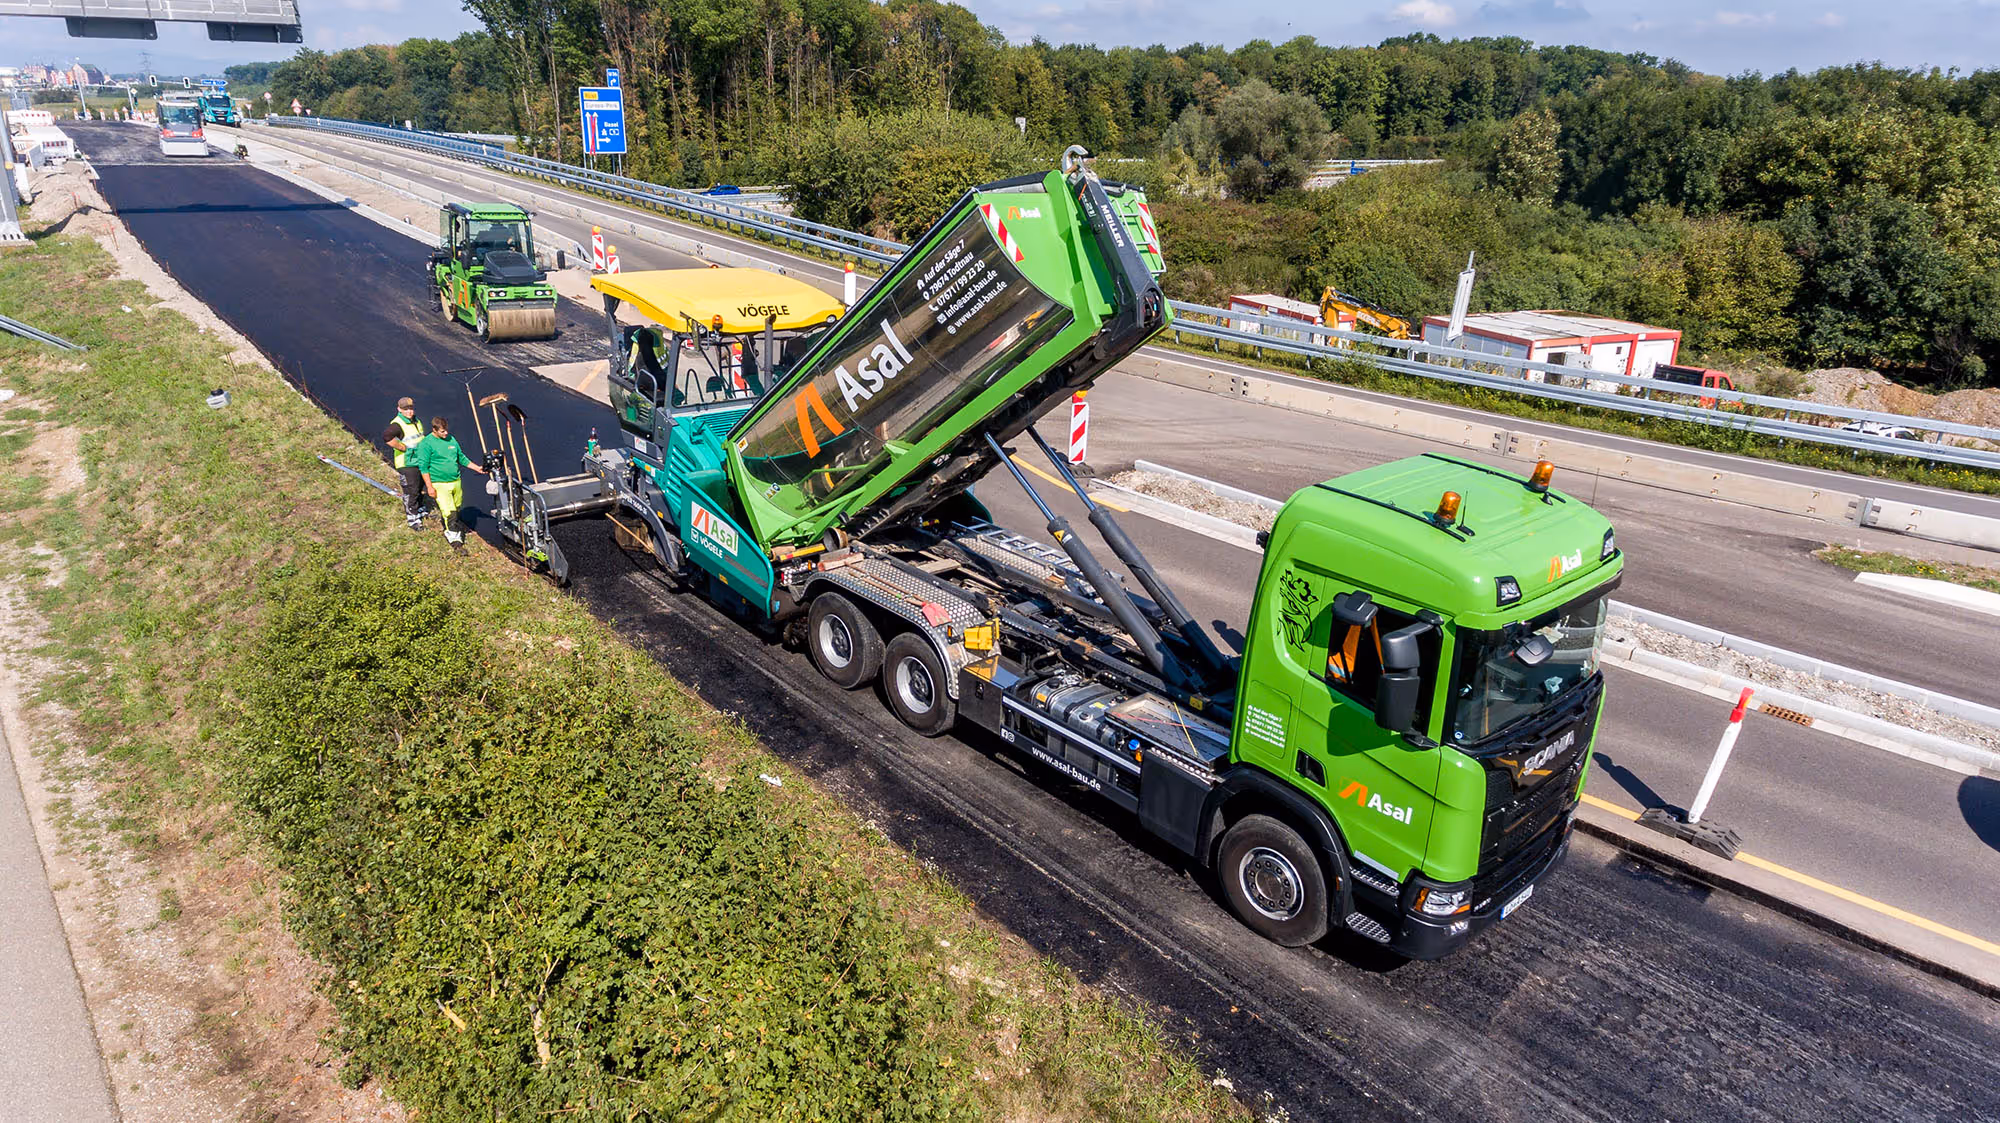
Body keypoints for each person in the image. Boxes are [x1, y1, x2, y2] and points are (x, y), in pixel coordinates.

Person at [410, 415, 487, 546]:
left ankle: (451, 525)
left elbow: (461, 458)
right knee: (449, 511)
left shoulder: (451, 440)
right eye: (442, 431)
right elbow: (423, 467)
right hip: (439, 483)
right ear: (434, 430)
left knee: (456, 508)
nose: (446, 433)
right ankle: (454, 539)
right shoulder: (426, 444)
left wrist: (477, 468)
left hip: (455, 481)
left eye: (446, 430)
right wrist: (429, 487)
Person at [382, 396, 427, 530]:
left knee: (419, 487)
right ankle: (412, 519)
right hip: (406, 463)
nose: (409, 412)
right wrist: (402, 447)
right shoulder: (397, 424)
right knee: (411, 491)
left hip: (418, 460)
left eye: (410, 408)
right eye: (405, 409)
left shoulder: (415, 420)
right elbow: (387, 437)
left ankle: (419, 510)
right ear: (399, 409)